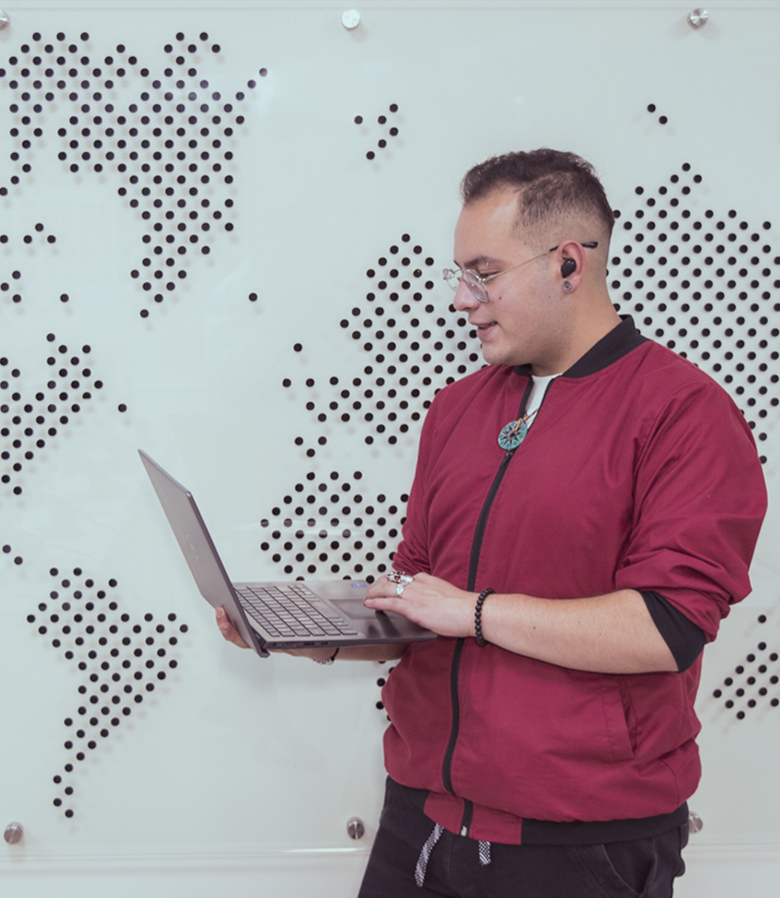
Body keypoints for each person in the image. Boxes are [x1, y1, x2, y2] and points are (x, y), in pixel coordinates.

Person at [217, 149, 767, 897]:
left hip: (579, 841)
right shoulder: (457, 409)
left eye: (484, 273)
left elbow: (668, 627)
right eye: (460, 274)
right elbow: (421, 600)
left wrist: (474, 612)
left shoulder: (684, 412)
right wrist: (313, 636)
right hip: (420, 816)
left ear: (568, 265)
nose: (461, 300)